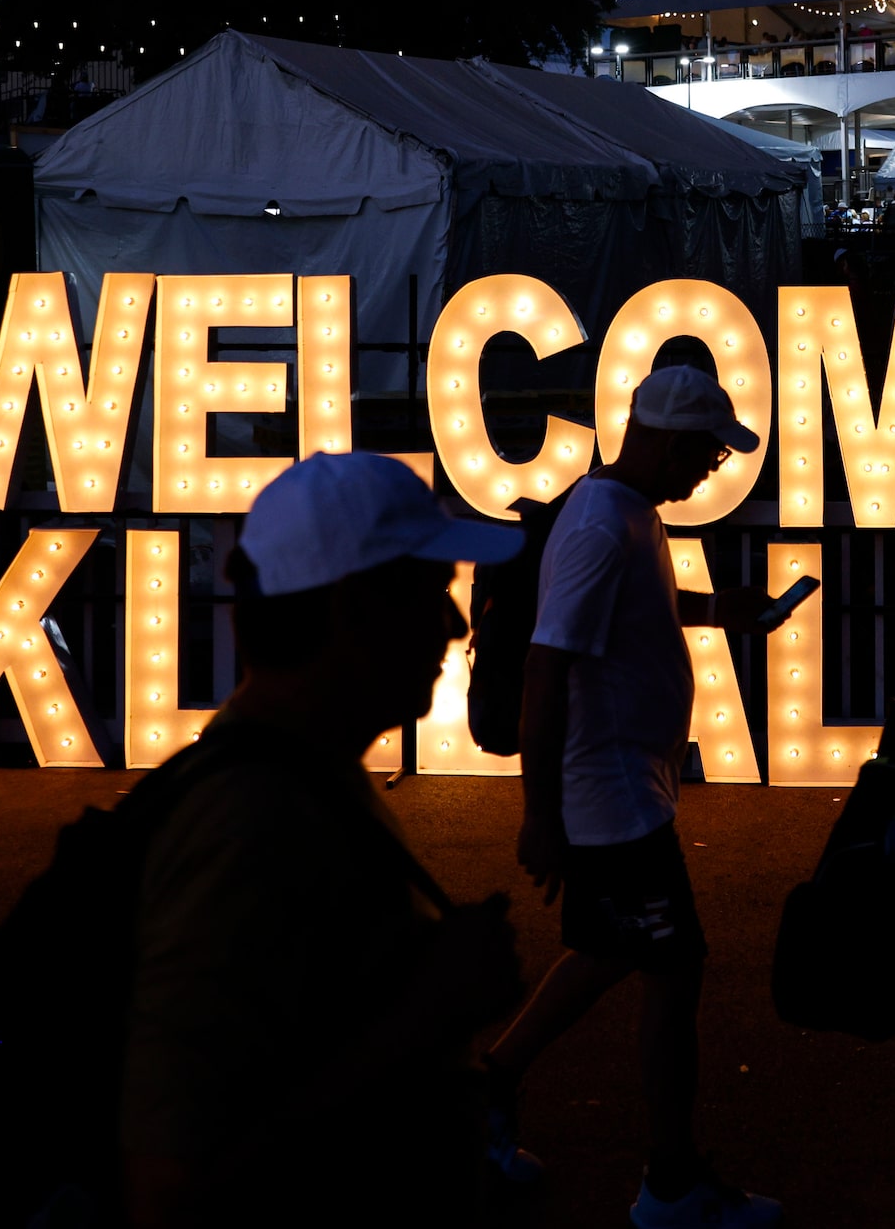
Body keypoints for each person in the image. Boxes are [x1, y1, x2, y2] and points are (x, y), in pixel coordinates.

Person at [120, 451, 527, 1227]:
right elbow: (168, 1192)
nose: (455, 623)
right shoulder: (249, 826)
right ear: (355, 610)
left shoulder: (293, 784)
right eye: (433, 589)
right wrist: (429, 1010)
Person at [484, 365, 788, 1228]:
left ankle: (492, 1084)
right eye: (704, 451)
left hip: (617, 786)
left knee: (610, 947)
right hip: (611, 795)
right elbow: (549, 664)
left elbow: (617, 619)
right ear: (660, 439)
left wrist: (713, 607)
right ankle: (670, 1182)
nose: (712, 469)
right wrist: (540, 814)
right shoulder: (601, 522)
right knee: (672, 964)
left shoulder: (620, 513)